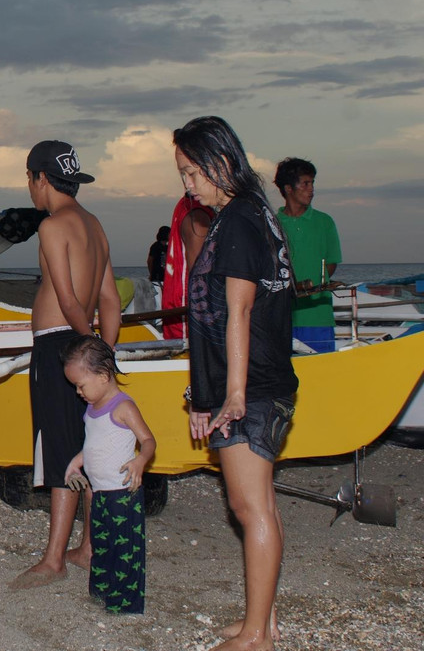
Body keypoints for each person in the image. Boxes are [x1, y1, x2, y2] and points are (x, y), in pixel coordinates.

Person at [174, 116, 297, 651]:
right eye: (181, 172)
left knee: (250, 509)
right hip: (255, 382)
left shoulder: (242, 220)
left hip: (254, 387)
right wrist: (206, 393)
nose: (187, 183)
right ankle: (262, 621)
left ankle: (256, 638)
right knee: (258, 506)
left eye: (192, 171)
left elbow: (239, 313)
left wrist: (234, 396)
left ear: (221, 161)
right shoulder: (247, 215)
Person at [10, 141, 121, 591]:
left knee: (59, 449)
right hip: (86, 349)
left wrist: (88, 351)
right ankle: (88, 547)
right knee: (87, 446)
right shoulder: (94, 225)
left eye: (29, 179)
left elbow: (70, 299)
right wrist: (105, 355)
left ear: (40, 178)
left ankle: (54, 558)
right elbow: (109, 299)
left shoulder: (54, 226)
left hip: (60, 348)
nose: (30, 188)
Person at [61, 335, 155, 615]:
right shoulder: (91, 409)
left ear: (103, 375)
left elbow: (148, 441)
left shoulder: (123, 407)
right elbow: (94, 444)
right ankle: (101, 589)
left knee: (125, 548)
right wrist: (75, 463)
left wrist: (140, 461)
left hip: (122, 492)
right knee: (101, 543)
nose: (78, 392)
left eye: (80, 385)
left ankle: (125, 602)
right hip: (99, 492)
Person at [274, 158, 342, 354]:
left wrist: (313, 284)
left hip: (318, 317)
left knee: (321, 374)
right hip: (281, 318)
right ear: (288, 188)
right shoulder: (272, 224)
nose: (311, 189)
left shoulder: (325, 222)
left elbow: (331, 263)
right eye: (305, 183)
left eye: (312, 183)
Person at [161, 195, 213, 340]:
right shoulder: (197, 217)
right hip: (190, 324)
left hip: (179, 316)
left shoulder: (187, 207)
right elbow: (202, 282)